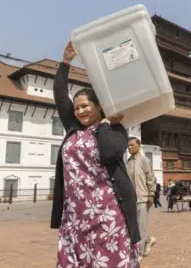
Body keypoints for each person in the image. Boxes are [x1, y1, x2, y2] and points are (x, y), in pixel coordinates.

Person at [50, 42, 140, 268]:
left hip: (107, 216)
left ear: (98, 106)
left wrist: (106, 123)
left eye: (85, 106)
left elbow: (109, 153)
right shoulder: (74, 128)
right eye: (77, 107)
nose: (80, 111)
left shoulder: (116, 130)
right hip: (75, 218)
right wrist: (65, 62)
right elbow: (60, 94)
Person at [126, 136, 157, 258]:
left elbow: (151, 178)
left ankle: (140, 251)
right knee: (136, 225)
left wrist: (151, 194)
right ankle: (148, 240)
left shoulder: (144, 160)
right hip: (132, 200)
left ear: (138, 146)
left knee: (141, 225)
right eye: (128, 146)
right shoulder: (128, 162)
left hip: (143, 198)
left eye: (132, 145)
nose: (130, 147)